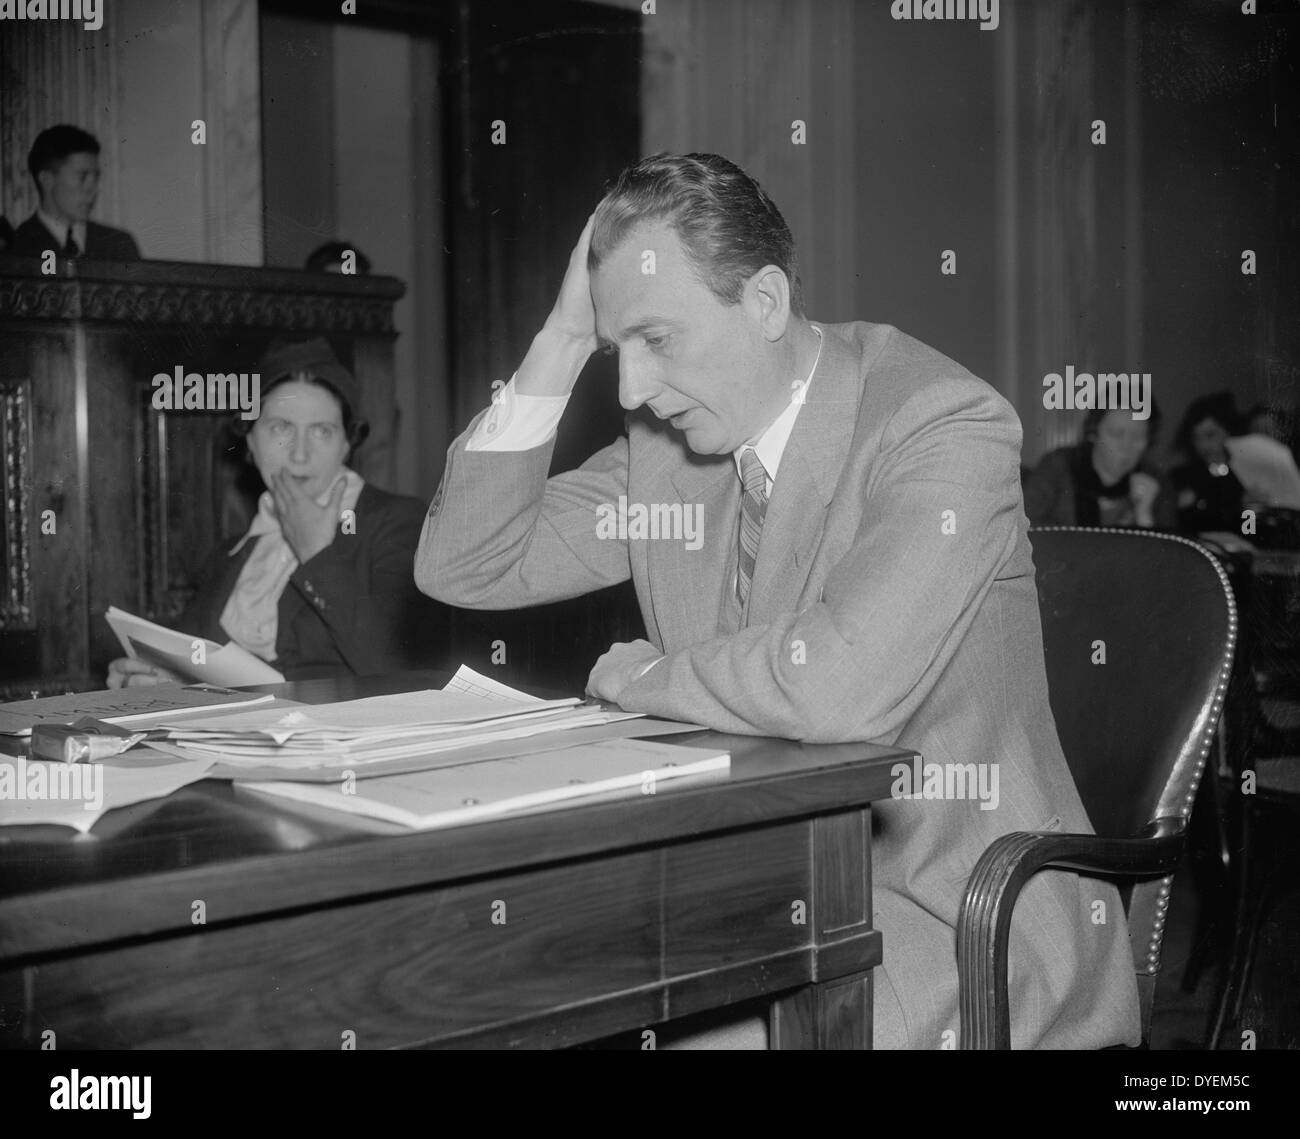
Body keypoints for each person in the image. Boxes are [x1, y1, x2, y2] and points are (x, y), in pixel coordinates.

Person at [415, 153, 1141, 1049]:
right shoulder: (672, 449)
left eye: (658, 339)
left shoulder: (940, 423)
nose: (632, 390)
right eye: (615, 351)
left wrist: (644, 678)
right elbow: (467, 564)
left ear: (763, 301)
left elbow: (839, 684)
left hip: (944, 910)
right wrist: (563, 340)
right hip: (758, 893)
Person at [108, 339, 443, 686]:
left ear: (347, 443)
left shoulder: (397, 523)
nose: (299, 454)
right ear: (250, 441)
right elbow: (200, 664)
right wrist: (164, 677)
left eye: (322, 431)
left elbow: (405, 670)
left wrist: (316, 553)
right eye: (280, 428)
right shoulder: (230, 553)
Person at [1024, 406, 1176, 528]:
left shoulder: (1156, 482)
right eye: (1116, 434)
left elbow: (1170, 560)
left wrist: (1144, 515)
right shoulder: (1059, 465)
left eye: (1137, 437)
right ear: (1093, 434)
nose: (1126, 446)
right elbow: (1025, 527)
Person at [9, 125, 141, 261]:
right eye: (82, 177)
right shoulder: (16, 249)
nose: (93, 190)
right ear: (47, 180)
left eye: (95, 178)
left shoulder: (118, 245)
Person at [1171, 392, 1247, 533]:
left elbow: (1251, 532)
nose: (1203, 445)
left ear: (1227, 431)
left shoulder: (1244, 473)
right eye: (1196, 438)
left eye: (1210, 435)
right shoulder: (1181, 477)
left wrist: (1249, 511)